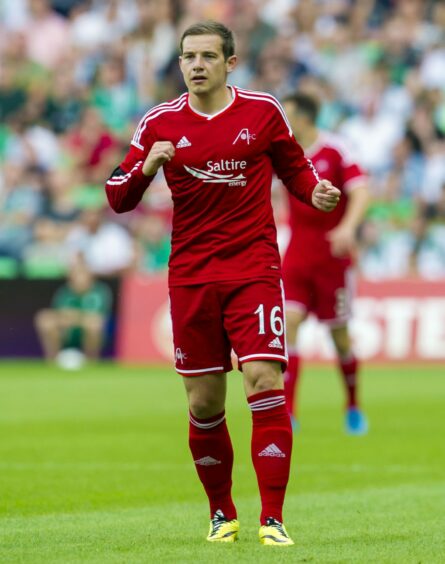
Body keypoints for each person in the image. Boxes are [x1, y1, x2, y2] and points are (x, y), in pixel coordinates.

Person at [105, 21, 340, 546]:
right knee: (205, 404)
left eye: (208, 56)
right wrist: (147, 168)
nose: (196, 65)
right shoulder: (159, 122)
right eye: (189, 56)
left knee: (264, 380)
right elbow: (117, 195)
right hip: (191, 276)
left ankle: (273, 519)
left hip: (254, 269)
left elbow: (295, 169)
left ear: (230, 63)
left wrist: (315, 193)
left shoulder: (262, 110)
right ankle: (221, 513)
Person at [281, 92, 370, 435]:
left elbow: (361, 191)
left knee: (340, 338)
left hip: (332, 257)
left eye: (289, 115)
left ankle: (352, 406)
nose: (285, 122)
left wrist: (348, 227)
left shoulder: (336, 149)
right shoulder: (284, 153)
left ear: (305, 117)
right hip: (297, 255)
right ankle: (288, 412)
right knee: (289, 325)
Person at [34, 261, 112, 363]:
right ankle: (53, 361)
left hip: (93, 334)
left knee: (94, 324)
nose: (79, 279)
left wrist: (74, 316)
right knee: (45, 319)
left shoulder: (100, 291)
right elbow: (60, 315)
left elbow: (98, 317)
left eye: (82, 274)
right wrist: (77, 317)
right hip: (68, 332)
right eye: (76, 275)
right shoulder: (65, 292)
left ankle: (91, 362)